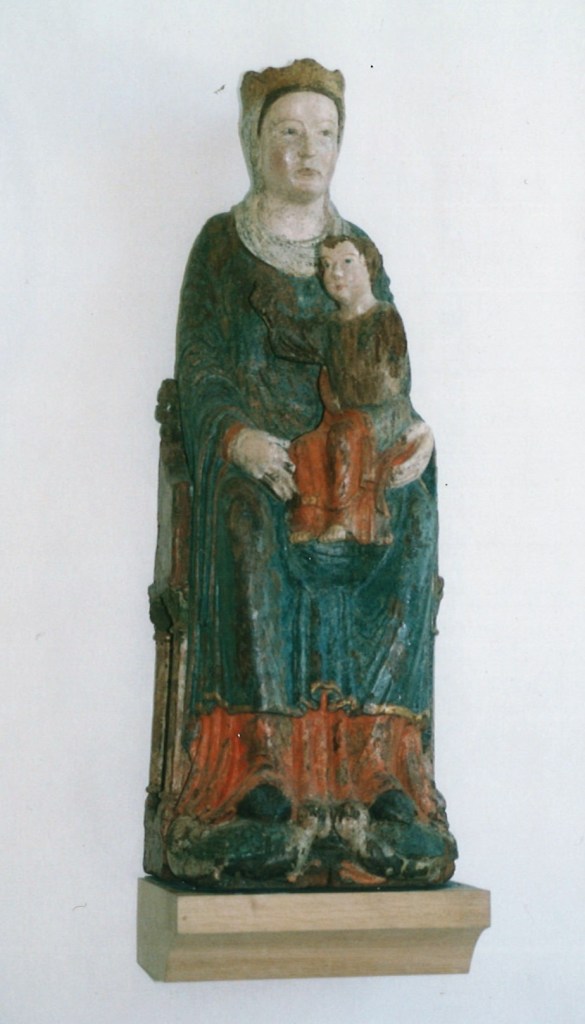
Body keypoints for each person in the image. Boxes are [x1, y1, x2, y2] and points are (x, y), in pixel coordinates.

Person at [152, 59, 456, 887]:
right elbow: (201, 368)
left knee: (413, 515)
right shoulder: (222, 247)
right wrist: (239, 438)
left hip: (349, 461)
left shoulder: (355, 252)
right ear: (255, 142)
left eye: (323, 133)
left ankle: (381, 769)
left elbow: (383, 365)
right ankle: (258, 774)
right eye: (287, 131)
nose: (306, 149)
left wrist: (413, 430)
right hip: (263, 465)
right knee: (247, 516)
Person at [252, 234, 435, 545]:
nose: (335, 273)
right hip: (348, 416)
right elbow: (293, 341)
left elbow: (387, 379)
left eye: (347, 262)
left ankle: (348, 519)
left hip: (386, 413)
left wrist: (340, 388)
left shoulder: (384, 317)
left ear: (369, 266)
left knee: (345, 434)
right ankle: (311, 518)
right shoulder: (331, 326)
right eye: (326, 265)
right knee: (307, 446)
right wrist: (269, 310)